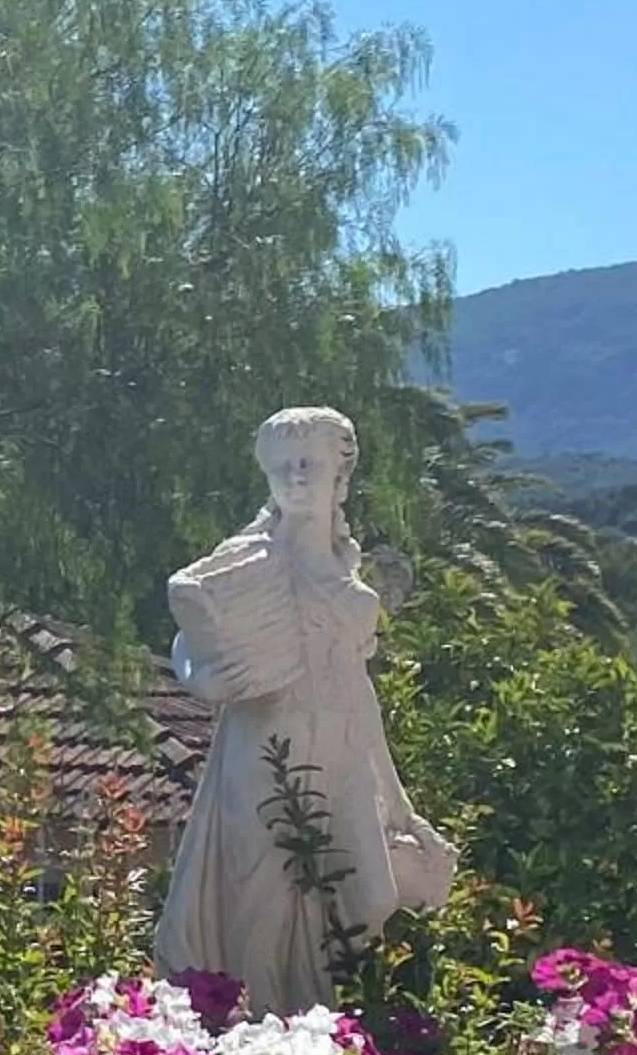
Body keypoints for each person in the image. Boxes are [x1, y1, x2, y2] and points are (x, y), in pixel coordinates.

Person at [155, 406, 455, 1013]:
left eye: (309, 465)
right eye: (282, 467)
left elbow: (359, 695)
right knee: (259, 895)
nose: (295, 477)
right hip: (263, 745)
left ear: (339, 480)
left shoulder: (347, 577)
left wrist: (398, 804)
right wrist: (205, 675)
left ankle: (325, 1038)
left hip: (339, 753)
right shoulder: (247, 560)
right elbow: (194, 635)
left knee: (363, 901)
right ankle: (255, 1035)